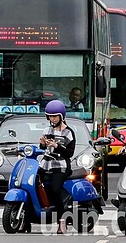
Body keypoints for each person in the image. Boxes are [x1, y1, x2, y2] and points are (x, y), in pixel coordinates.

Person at [38, 100, 76, 234]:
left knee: (55, 189)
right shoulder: (47, 130)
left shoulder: (68, 133)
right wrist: (42, 144)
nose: (52, 119)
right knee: (32, 183)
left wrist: (57, 146)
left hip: (60, 165)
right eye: (50, 116)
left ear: (61, 116)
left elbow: (70, 153)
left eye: (55, 116)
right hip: (46, 163)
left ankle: (61, 220)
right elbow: (43, 148)